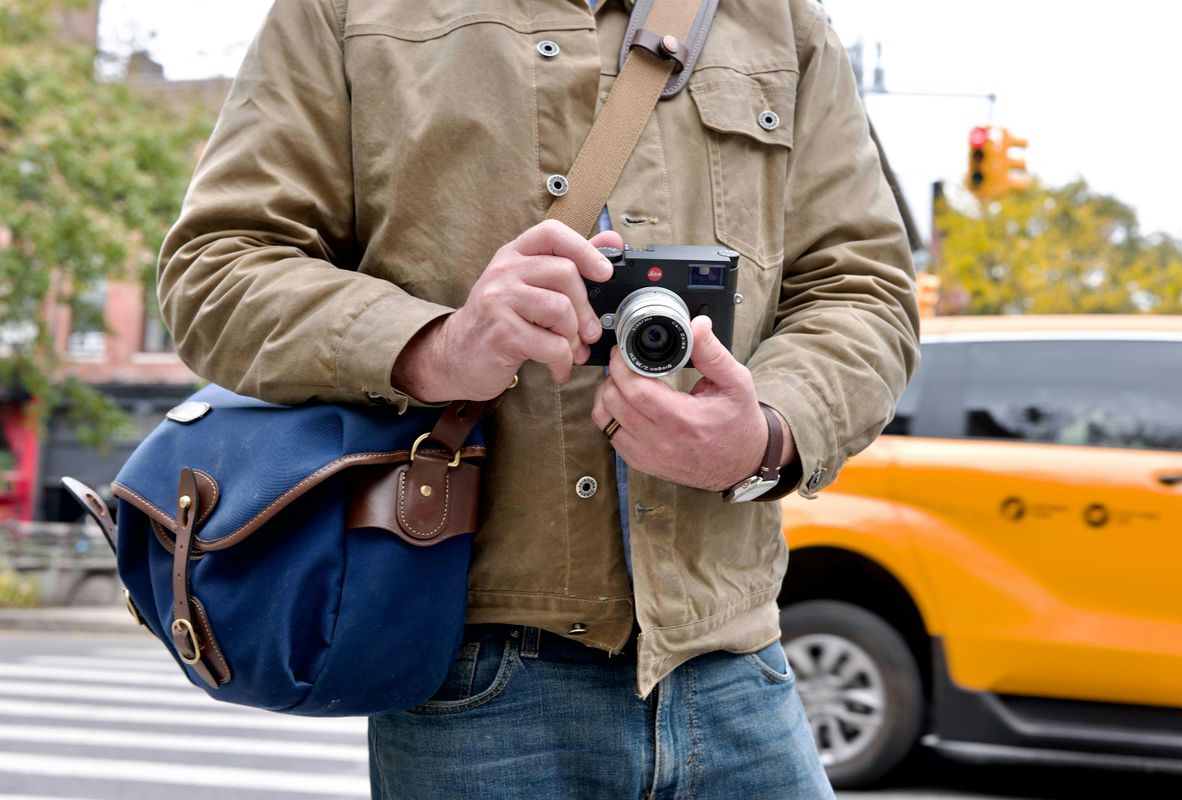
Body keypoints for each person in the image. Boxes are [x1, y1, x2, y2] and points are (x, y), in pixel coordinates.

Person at [158, 0, 919, 797]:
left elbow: (862, 288)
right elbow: (215, 270)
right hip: (472, 675)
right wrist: (434, 347)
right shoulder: (346, 11)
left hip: (736, 667)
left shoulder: (777, 16)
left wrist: (766, 435)